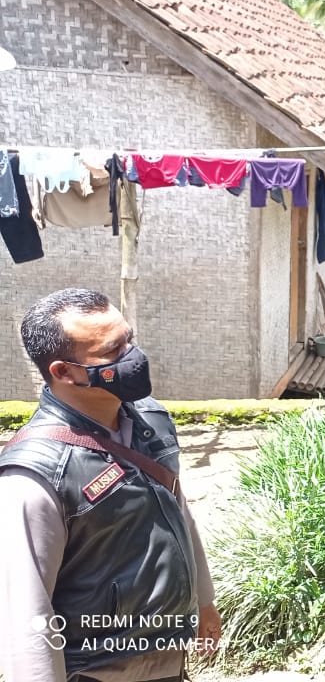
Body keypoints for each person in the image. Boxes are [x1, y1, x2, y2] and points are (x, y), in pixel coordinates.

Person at [0, 288, 220, 682]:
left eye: (129, 339)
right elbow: (24, 614)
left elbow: (177, 509)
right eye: (113, 351)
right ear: (64, 372)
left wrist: (204, 601)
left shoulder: (152, 420)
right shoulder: (34, 475)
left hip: (167, 661)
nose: (133, 357)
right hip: (96, 671)